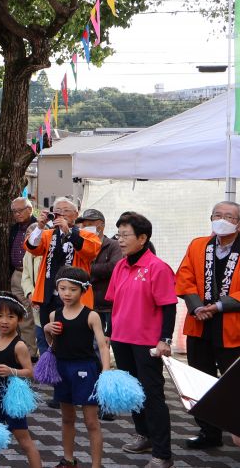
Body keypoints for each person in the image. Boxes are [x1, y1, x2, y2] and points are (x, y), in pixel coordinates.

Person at [103, 212, 176, 467]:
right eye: (118, 235)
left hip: (147, 342)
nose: (120, 240)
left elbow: (169, 306)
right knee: (133, 393)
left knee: (152, 394)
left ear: (143, 238)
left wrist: (165, 339)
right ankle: (143, 435)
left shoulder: (157, 267)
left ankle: (162, 454)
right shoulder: (121, 266)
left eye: (126, 235)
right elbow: (113, 302)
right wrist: (110, 333)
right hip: (122, 339)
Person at [175, 199, 240, 450]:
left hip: (232, 328)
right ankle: (209, 432)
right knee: (199, 380)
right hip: (199, 325)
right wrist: (196, 306)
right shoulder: (198, 244)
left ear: (238, 223)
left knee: (234, 383)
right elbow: (184, 275)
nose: (222, 220)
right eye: (217, 215)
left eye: (230, 217)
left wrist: (219, 305)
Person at [45, 266, 111, 468]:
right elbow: (52, 346)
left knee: (91, 421)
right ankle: (68, 459)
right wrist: (48, 331)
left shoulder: (91, 316)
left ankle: (96, 464)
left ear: (84, 290)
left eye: (72, 289)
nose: (67, 293)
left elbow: (102, 344)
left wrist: (107, 372)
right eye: (63, 288)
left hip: (85, 369)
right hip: (62, 368)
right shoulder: (54, 315)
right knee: (67, 418)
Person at [24, 197, 101, 333]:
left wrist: (68, 233)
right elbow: (32, 247)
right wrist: (40, 226)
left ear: (76, 215)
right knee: (48, 333)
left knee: (74, 334)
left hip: (75, 296)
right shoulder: (47, 234)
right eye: (57, 211)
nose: (61, 214)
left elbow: (91, 252)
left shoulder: (87, 235)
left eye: (66, 211)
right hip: (49, 295)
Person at [0, 292, 42, 468]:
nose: (4, 321)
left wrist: (12, 371)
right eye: (0, 316)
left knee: (24, 441)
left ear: (19, 319)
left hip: (11, 400)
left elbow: (30, 372)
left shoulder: (19, 345)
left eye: (10, 316)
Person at [79, 208, 122, 338]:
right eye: (84, 224)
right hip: (86, 302)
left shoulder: (114, 245)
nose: (85, 227)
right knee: (92, 341)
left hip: (109, 303)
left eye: (90, 224)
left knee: (113, 339)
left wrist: (87, 269)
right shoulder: (79, 245)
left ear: (101, 225)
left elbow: (113, 267)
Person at [5, 197, 38, 353]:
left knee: (31, 316)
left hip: (33, 276)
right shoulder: (14, 228)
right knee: (19, 314)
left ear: (30, 209)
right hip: (17, 274)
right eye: (14, 211)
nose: (17, 214)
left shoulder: (39, 227)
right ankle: (24, 350)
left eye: (20, 210)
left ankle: (31, 352)